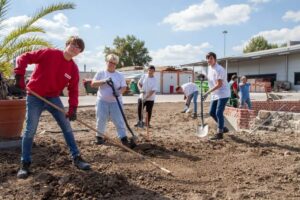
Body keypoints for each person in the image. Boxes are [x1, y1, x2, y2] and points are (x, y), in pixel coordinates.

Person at [14, 36, 91, 179]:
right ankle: (25, 164)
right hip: (35, 96)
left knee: (66, 126)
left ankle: (77, 158)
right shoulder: (50, 53)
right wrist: (19, 74)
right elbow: (24, 57)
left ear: (79, 52)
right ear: (67, 44)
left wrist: (73, 108)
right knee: (30, 129)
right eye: (73, 45)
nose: (74, 48)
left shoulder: (73, 69)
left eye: (78, 48)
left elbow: (73, 90)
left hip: (53, 98)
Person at [91, 54, 131, 147]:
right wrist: (104, 81)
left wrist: (119, 92)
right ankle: (99, 137)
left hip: (116, 102)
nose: (111, 64)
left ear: (116, 64)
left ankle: (123, 138)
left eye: (114, 63)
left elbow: (124, 87)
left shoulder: (119, 75)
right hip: (102, 101)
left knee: (118, 120)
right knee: (101, 119)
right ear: (106, 62)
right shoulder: (101, 73)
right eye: (110, 62)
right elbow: (93, 84)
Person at [202, 52, 230, 140]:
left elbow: (219, 84)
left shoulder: (219, 69)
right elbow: (211, 81)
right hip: (215, 94)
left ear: (215, 59)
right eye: (207, 58)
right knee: (211, 112)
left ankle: (219, 133)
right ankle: (223, 127)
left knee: (218, 112)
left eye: (210, 58)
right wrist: (203, 77)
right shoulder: (210, 68)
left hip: (223, 93)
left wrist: (207, 93)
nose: (208, 60)